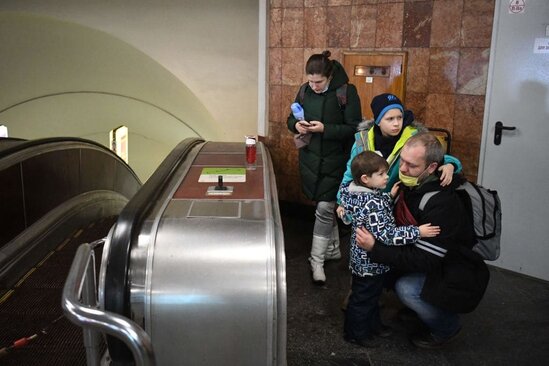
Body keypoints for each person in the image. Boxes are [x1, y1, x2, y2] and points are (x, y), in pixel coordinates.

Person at [356, 133, 490, 349]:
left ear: (431, 168)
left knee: (407, 288)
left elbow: (425, 260)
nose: (403, 169)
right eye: (403, 161)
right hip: (426, 255)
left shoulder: (443, 203)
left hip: (453, 268)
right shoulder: (411, 184)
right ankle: (422, 309)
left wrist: (375, 248)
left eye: (412, 165)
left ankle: (447, 327)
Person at [339, 150, 440, 347]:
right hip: (371, 262)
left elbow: (364, 209)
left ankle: (373, 325)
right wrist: (417, 232)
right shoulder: (373, 203)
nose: (387, 176)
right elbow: (387, 235)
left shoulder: (352, 192)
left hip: (361, 259)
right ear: (366, 179)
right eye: (382, 174)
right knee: (363, 299)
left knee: (372, 296)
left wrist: (388, 197)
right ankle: (355, 333)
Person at [287, 50, 362, 285]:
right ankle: (334, 249)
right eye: (310, 80)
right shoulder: (304, 90)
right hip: (309, 158)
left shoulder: (346, 92)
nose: (314, 86)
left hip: (336, 160)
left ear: (329, 76)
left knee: (323, 207)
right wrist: (296, 125)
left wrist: (324, 129)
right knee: (324, 207)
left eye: (318, 82)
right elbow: (289, 119)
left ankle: (316, 260)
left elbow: (354, 127)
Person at [339, 93, 462, 198]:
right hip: (369, 206)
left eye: (400, 117)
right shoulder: (362, 141)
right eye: (390, 119)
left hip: (400, 201)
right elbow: (351, 172)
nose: (396, 123)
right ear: (378, 121)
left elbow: (435, 156)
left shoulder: (413, 137)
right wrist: (342, 201)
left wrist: (450, 164)